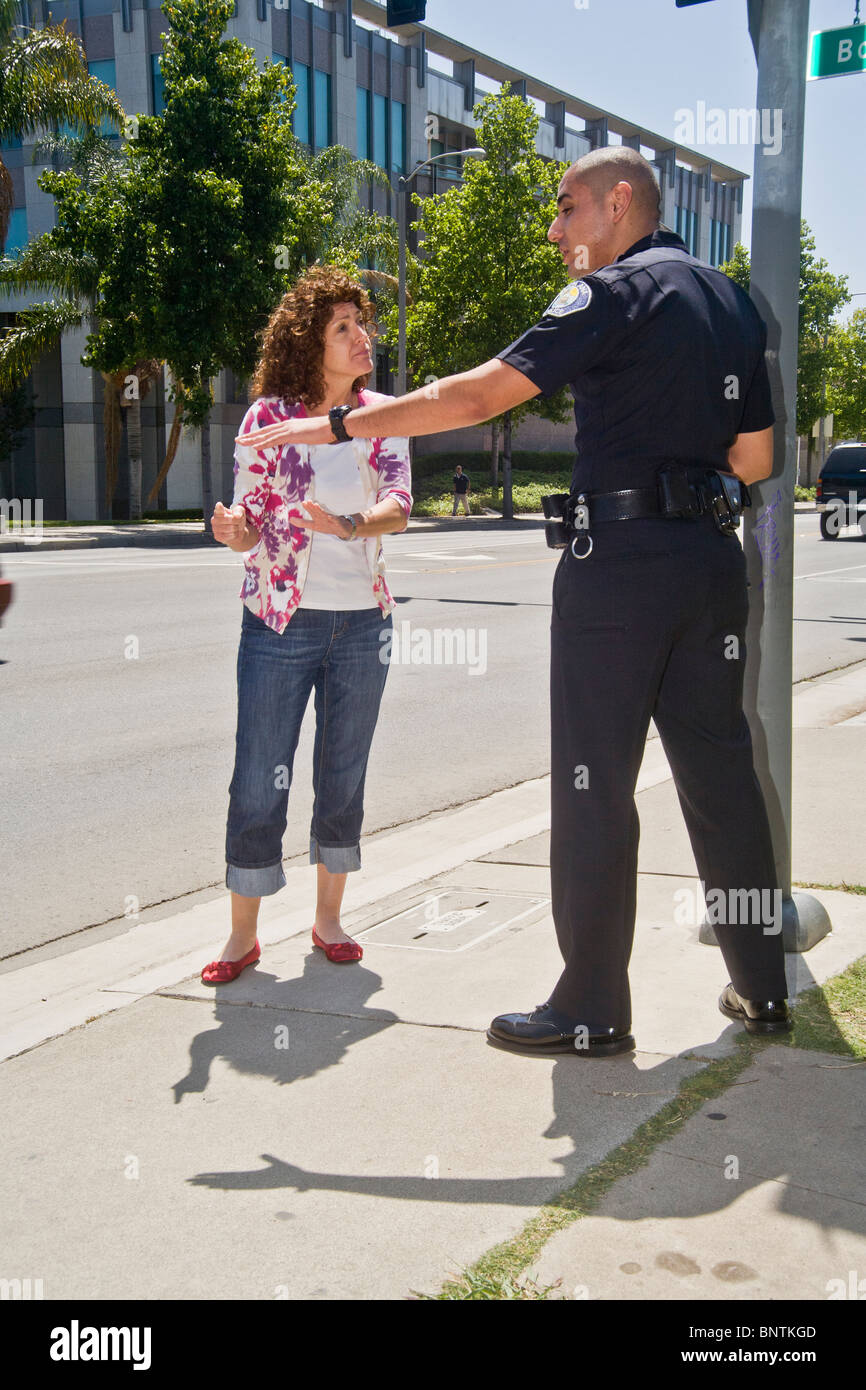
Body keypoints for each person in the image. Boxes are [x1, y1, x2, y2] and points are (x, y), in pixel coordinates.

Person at [236, 148, 791, 1055]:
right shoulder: (732, 302)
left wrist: (335, 422)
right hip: (708, 566)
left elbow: (479, 394)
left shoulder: (610, 296)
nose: (555, 228)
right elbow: (756, 461)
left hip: (618, 569)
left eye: (567, 208)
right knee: (722, 772)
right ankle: (762, 988)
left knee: (593, 783)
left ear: (620, 205)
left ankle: (592, 1010)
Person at [202, 265, 412, 984]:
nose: (362, 338)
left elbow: (400, 506)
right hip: (279, 624)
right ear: (309, 343)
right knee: (259, 776)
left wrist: (349, 523)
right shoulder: (268, 420)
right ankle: (242, 935)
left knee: (342, 776)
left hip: (361, 626)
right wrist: (230, 530)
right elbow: (248, 525)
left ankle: (328, 920)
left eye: (364, 324)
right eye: (343, 328)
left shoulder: (383, 415)